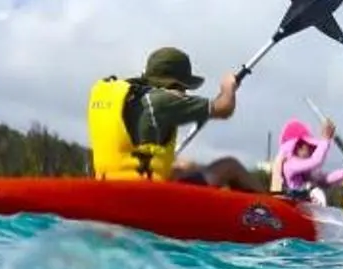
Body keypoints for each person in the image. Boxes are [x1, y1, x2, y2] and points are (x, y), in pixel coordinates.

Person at [86, 48, 241, 181]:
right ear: (175, 85)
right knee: (230, 166)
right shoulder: (162, 101)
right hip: (144, 195)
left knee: (186, 167)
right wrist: (229, 86)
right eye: (184, 88)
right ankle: (262, 211)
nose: (184, 93)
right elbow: (224, 107)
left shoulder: (124, 98)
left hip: (107, 183)